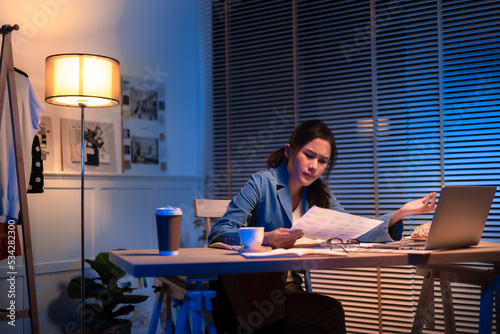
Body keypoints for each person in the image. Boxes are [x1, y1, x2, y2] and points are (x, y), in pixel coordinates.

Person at [208, 119, 437, 333]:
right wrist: (267, 238)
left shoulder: (319, 192)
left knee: (320, 318)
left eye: (322, 161)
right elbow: (219, 233)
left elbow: (355, 229)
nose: (314, 167)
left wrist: (401, 212)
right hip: (251, 297)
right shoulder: (262, 182)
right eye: (308, 155)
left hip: (287, 292)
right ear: (289, 151)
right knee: (330, 312)